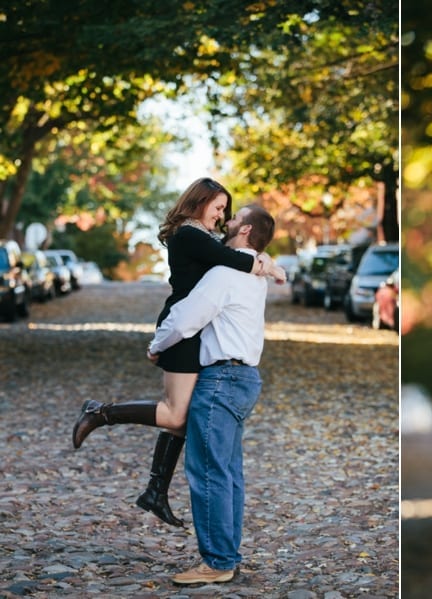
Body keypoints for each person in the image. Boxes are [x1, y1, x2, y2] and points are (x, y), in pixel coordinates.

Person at [72, 177, 285, 528]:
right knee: (175, 416)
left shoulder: (203, 235)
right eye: (218, 208)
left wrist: (270, 263)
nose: (222, 216)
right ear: (200, 202)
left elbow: (244, 250)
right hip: (182, 330)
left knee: (185, 419)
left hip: (194, 332)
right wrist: (269, 267)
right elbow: (233, 257)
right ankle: (100, 413)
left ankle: (156, 490)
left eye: (226, 211)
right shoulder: (189, 234)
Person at [147, 203, 274, 584]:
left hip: (221, 381)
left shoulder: (224, 273)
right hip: (244, 378)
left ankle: (217, 562)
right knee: (228, 473)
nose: (227, 220)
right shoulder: (256, 273)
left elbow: (187, 317)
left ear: (246, 231)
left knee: (208, 473)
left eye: (235, 218)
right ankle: (226, 555)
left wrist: (157, 345)